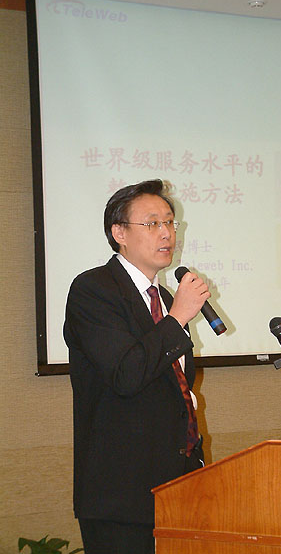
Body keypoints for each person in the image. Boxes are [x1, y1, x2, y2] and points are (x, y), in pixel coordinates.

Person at [63, 179, 210, 554]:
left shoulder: (165, 298)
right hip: (122, 494)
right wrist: (177, 319)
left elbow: (174, 385)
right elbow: (126, 375)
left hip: (180, 483)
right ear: (119, 233)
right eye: (152, 223)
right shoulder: (93, 290)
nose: (167, 233)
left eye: (170, 222)